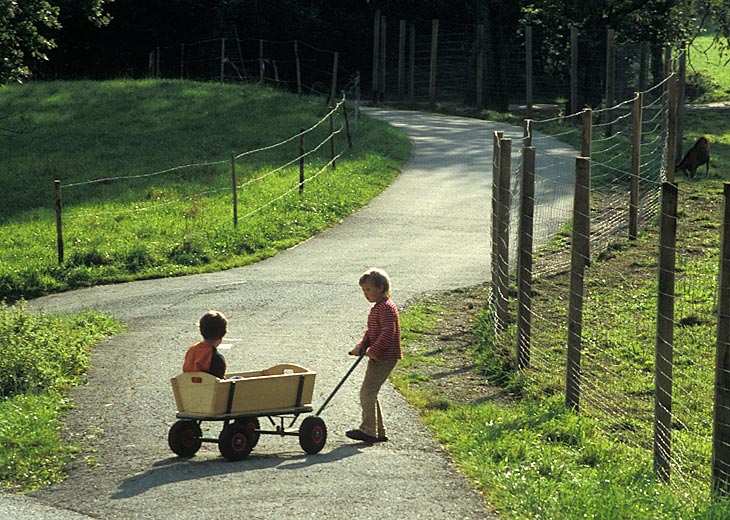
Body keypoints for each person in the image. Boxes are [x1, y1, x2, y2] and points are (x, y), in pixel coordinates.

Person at [346, 268, 402, 444]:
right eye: (363, 290)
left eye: (368, 289)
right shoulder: (378, 308)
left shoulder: (386, 308)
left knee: (367, 392)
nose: (365, 294)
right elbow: (371, 331)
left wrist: (374, 350)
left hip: (385, 356)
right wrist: (362, 345)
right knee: (371, 392)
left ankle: (368, 430)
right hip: (379, 356)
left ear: (381, 287)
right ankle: (378, 431)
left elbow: (388, 332)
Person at [183, 310, 228, 379]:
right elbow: (219, 384)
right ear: (223, 334)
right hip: (209, 388)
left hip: (189, 387)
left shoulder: (192, 350)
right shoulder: (216, 358)